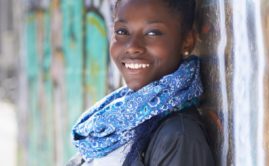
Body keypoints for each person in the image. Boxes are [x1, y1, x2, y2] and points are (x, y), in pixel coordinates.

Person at [67, 0, 214, 165]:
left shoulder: (178, 137)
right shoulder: (112, 120)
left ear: (187, 41)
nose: (132, 47)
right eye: (122, 31)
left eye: (152, 33)